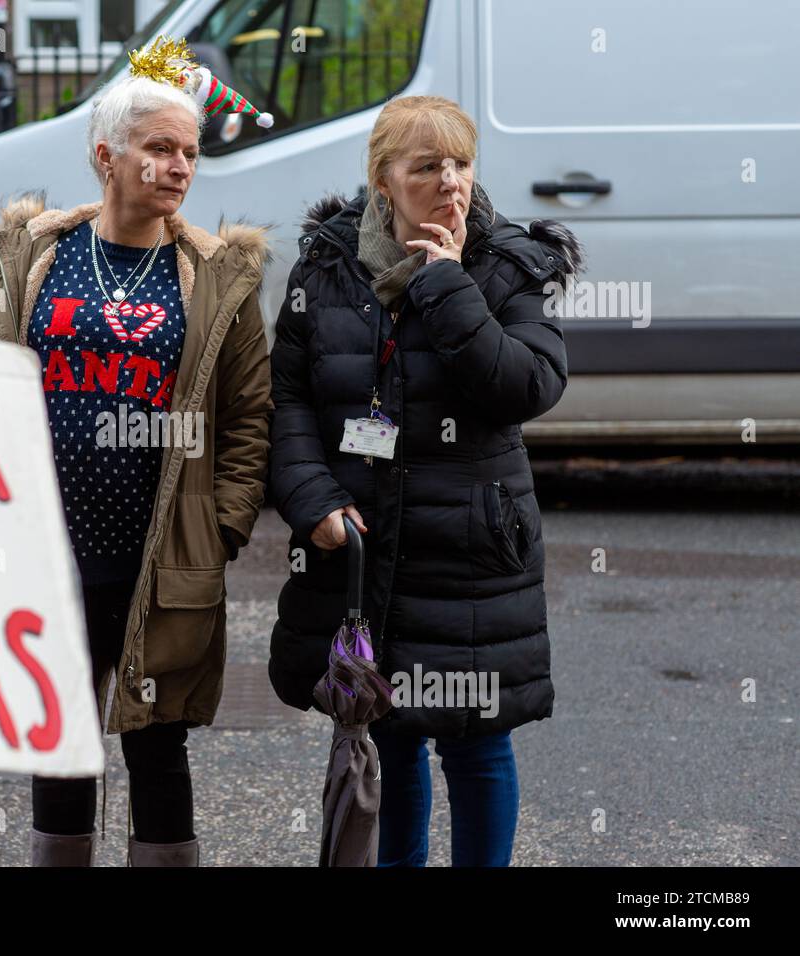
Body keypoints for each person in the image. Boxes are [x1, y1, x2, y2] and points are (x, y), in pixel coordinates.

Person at [0, 39, 273, 866]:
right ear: (107, 155)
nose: (179, 167)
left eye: (190, 153)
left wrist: (221, 533)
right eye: (160, 148)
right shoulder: (35, 259)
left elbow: (248, 419)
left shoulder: (215, 279)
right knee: (61, 740)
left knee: (156, 742)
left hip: (159, 558)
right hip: (50, 554)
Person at [267, 95, 583, 866]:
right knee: (392, 738)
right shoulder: (328, 264)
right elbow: (290, 397)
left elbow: (528, 386)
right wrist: (311, 496)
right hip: (368, 545)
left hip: (471, 544)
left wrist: (444, 286)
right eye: (426, 167)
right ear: (383, 181)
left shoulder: (503, 263)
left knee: (476, 748)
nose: (450, 182)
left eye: (461, 164)